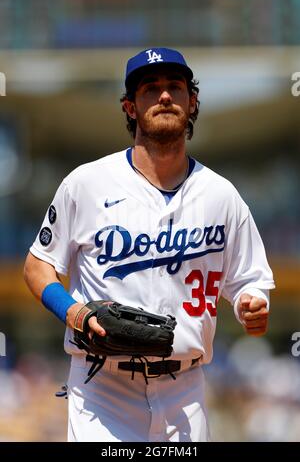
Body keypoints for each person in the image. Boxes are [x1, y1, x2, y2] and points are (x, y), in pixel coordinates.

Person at [24, 47, 275, 442]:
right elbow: (37, 266)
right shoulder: (86, 184)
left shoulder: (221, 195)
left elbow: (249, 281)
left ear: (192, 102)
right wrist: (73, 313)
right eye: (150, 88)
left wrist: (251, 304)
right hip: (101, 387)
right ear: (129, 106)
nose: (164, 96)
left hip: (185, 388)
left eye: (175, 87)